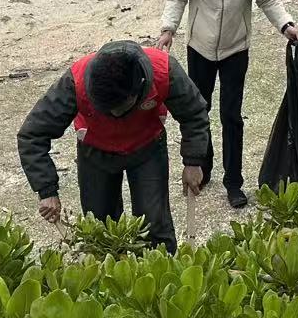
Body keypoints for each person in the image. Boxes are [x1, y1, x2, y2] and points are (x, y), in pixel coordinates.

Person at [157, 0, 298, 209]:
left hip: (236, 48)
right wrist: (168, 29)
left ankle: (233, 182)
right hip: (199, 47)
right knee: (200, 110)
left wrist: (285, 25)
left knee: (232, 115)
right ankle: (203, 167)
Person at [17, 39, 210, 252]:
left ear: (140, 87)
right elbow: (32, 134)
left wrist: (193, 161)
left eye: (120, 108)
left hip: (148, 148)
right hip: (96, 152)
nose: (115, 115)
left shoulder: (164, 71)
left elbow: (194, 113)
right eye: (107, 110)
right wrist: (47, 190)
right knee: (100, 228)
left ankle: (162, 268)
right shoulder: (76, 82)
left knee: (154, 224)